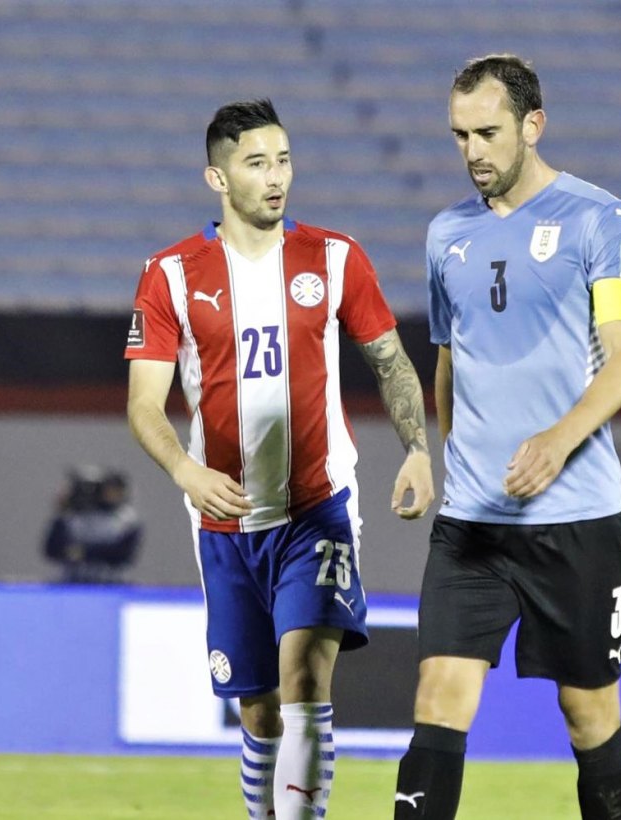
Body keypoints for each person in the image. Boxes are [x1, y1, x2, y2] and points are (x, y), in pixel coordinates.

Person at [125, 99, 434, 820]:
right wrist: (187, 472)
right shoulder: (170, 275)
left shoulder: (333, 257)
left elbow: (389, 360)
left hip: (317, 508)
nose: (276, 177)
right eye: (257, 163)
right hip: (226, 524)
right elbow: (144, 403)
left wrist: (418, 449)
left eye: (284, 160)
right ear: (217, 177)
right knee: (259, 710)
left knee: (304, 678)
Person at [391, 55, 621, 820]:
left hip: (575, 521)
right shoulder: (446, 235)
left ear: (533, 126)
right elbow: (447, 362)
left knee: (589, 715)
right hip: (472, 525)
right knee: (438, 697)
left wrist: (559, 440)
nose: (473, 151)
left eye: (488, 133)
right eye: (459, 135)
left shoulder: (600, 220)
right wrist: (434, 456)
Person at [43, 465, 141, 584]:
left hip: (112, 581)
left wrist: (84, 552)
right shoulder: (71, 518)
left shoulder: (125, 520)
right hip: (72, 580)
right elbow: (52, 549)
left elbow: (122, 554)